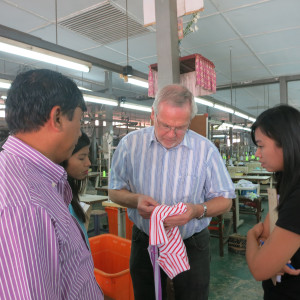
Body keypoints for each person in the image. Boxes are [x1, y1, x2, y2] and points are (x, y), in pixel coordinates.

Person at [108, 84, 235, 300]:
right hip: (146, 241)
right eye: (165, 125)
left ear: (189, 122)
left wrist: (196, 210)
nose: (171, 134)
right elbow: (114, 191)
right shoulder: (130, 145)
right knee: (146, 294)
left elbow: (225, 200)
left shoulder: (205, 150)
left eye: (181, 127)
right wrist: (135, 199)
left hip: (191, 244)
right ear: (153, 115)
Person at [0, 69, 103, 299]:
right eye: (79, 121)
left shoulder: (30, 178)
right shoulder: (27, 204)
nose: (79, 133)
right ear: (57, 118)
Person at [246, 105, 300, 299]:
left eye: (261, 146)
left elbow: (260, 269)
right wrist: (276, 254)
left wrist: (251, 236)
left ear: (285, 143)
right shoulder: (287, 180)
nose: (257, 154)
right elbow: (269, 232)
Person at [62, 131, 91, 249]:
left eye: (88, 156)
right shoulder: (60, 201)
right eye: (81, 158)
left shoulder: (69, 195)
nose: (88, 163)